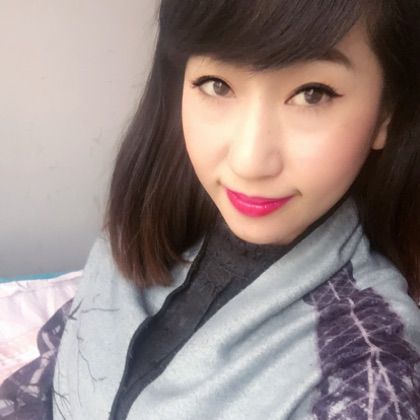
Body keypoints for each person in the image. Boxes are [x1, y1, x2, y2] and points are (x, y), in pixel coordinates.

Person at [52, 1, 420, 419]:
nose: (249, 162)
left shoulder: (369, 373)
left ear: (385, 113)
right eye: (217, 85)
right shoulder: (135, 230)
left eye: (311, 94)